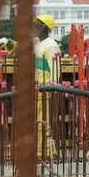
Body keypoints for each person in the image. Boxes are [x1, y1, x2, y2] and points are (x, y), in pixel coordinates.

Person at [34, 14, 61, 159]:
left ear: (44, 27)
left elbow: (55, 69)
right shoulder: (37, 42)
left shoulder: (51, 45)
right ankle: (40, 150)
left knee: (43, 121)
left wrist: (52, 87)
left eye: (37, 25)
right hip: (36, 88)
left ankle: (44, 152)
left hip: (45, 89)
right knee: (37, 121)